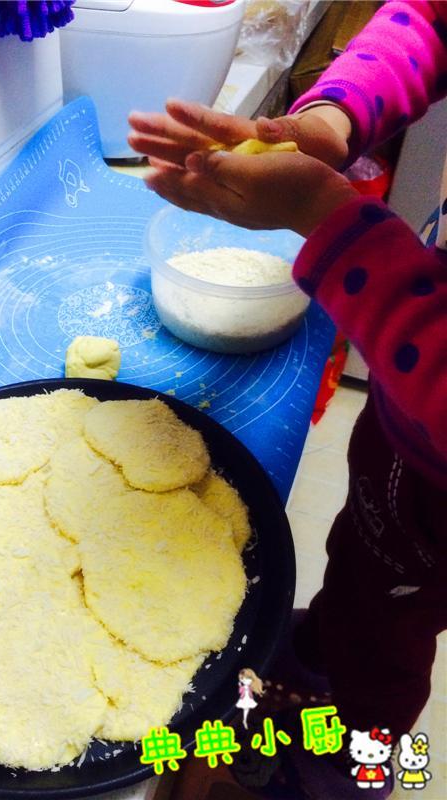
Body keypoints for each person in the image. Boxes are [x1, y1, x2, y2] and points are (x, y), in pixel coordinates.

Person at [128, 1, 447, 797]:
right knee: (367, 567)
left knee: (392, 633)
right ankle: (318, 659)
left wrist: (324, 217)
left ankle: (346, 762)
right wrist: (337, 117)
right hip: (410, 424)